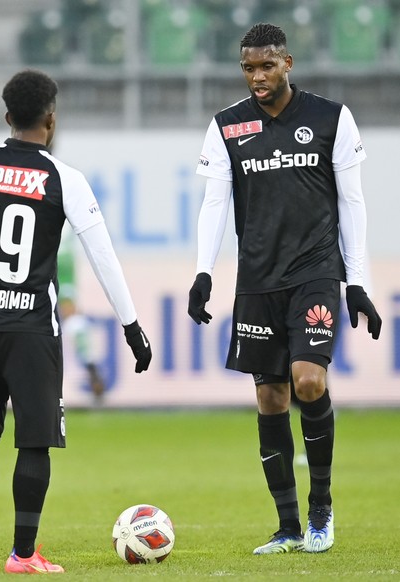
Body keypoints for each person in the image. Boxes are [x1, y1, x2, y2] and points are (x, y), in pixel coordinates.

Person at [0, 69, 152, 574]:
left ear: (7, 117)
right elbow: (102, 256)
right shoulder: (65, 179)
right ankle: (22, 554)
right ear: (51, 119)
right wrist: (130, 326)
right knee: (34, 441)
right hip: (34, 328)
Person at [188, 23, 382, 555]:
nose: (257, 77)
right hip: (257, 279)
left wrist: (357, 280)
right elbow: (214, 204)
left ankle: (322, 510)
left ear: (288, 63)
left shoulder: (330, 118)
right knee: (270, 396)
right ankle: (288, 526)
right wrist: (204, 271)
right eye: (248, 68)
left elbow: (352, 202)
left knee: (308, 382)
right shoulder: (227, 127)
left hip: (316, 271)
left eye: (266, 66)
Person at [57, 224, 106, 405]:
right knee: (71, 317)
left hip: (46, 252)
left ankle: (93, 370)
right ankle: (93, 370)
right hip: (60, 251)